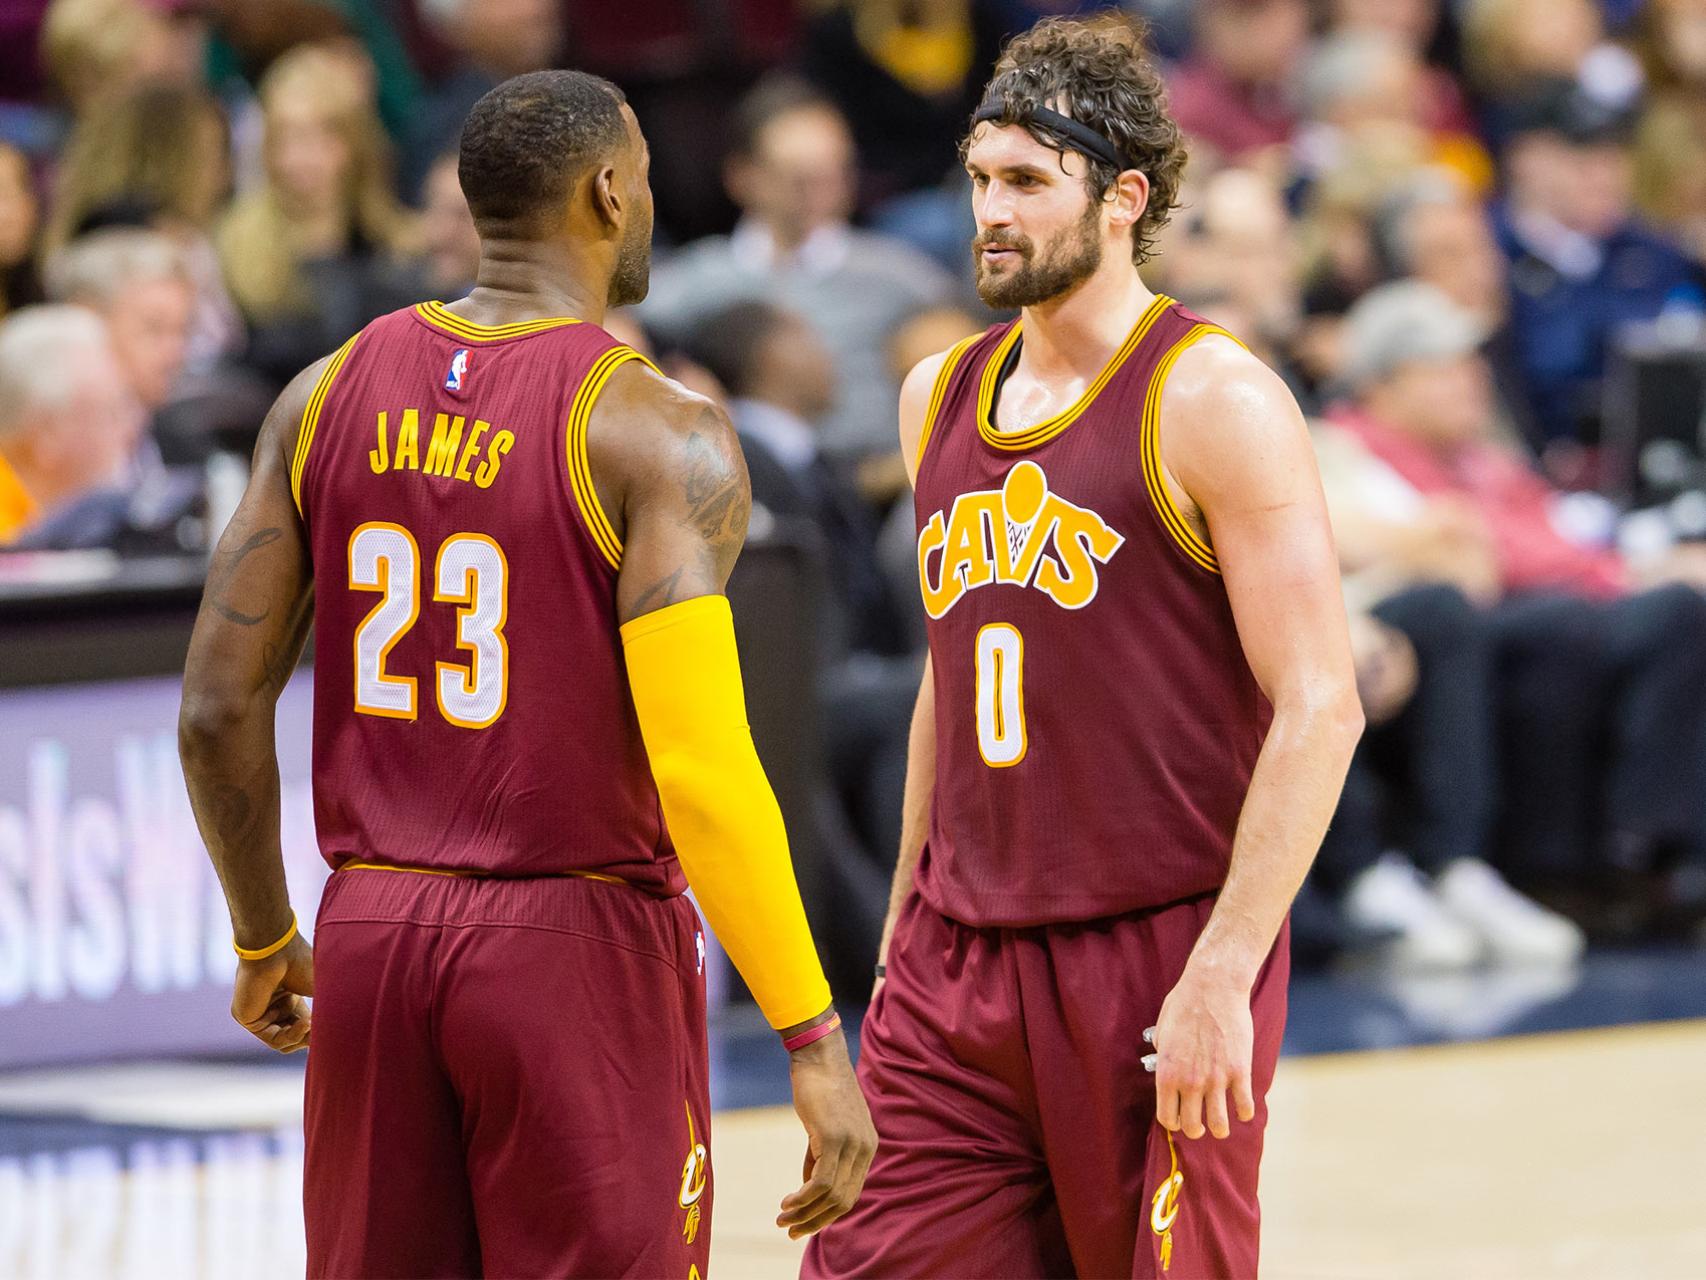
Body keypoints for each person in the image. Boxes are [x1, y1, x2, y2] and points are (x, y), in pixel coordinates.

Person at [176, 70, 874, 1277]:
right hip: (572, 945)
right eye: (642, 174)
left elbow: (214, 707)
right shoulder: (656, 430)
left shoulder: (322, 391)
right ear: (607, 192)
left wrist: (262, 931)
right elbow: (700, 768)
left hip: (371, 934)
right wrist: (811, 1032)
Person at [804, 16, 1364, 1279]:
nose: (987, 214)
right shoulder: (936, 395)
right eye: (976, 179)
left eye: (1023, 181)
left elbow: (1319, 702)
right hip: (956, 955)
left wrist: (1224, 969)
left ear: (1122, 198)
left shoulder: (1212, 397)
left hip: (1154, 950)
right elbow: (950, 680)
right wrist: (899, 916)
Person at [638, 76, 953, 461]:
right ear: (742, 176)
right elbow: (622, 330)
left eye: (832, 173)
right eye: (797, 177)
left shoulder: (898, 275)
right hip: (742, 473)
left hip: (872, 473)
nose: (818, 192)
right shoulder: (699, 277)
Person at [0, 305, 144, 544]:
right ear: (48, 433)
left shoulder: (43, 528)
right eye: (112, 413)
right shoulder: (11, 541)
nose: (131, 431)